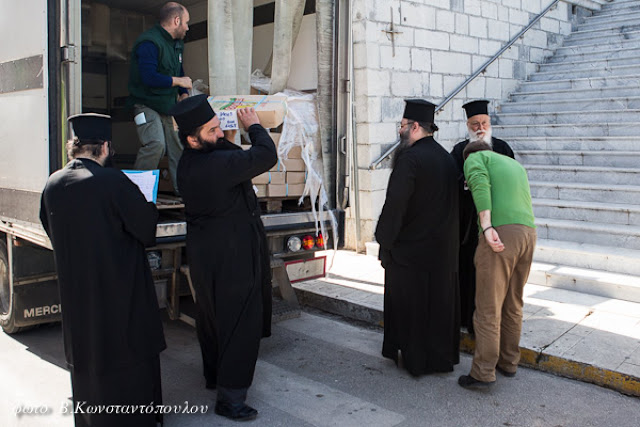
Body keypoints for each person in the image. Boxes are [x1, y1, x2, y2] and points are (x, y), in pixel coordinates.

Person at [39, 114, 165, 426]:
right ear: (105, 147)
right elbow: (146, 228)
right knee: (127, 355)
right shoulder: (114, 181)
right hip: (119, 290)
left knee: (86, 357)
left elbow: (49, 226)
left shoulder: (53, 183)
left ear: (75, 147)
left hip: (76, 290)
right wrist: (150, 205)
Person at [169, 95, 276, 421]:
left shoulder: (192, 161)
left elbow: (228, 152)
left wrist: (225, 134)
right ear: (191, 138)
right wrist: (254, 126)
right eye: (213, 129)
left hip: (209, 253)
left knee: (213, 318)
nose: (220, 133)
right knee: (239, 322)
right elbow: (266, 155)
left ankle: (215, 375)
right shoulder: (216, 166)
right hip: (233, 254)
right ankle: (231, 398)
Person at [375, 99, 460, 376]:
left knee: (412, 308)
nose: (399, 131)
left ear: (413, 126)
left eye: (401, 126)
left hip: (411, 253)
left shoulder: (410, 158)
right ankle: (438, 359)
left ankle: (416, 361)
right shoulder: (447, 158)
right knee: (436, 307)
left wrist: (385, 240)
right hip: (441, 251)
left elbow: (396, 204)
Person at [457, 141, 536, 389]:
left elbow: (480, 184)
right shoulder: (515, 165)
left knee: (488, 307)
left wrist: (487, 225)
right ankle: (509, 362)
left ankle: (483, 372)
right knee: (513, 303)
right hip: (528, 233)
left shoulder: (475, 159)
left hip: (500, 233)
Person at [450, 100, 515, 334]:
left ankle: (491, 324)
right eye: (475, 124)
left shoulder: (503, 149)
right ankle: (466, 318)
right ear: (468, 125)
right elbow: (451, 181)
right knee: (468, 272)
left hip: (497, 221)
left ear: (490, 124)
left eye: (484, 123)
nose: (480, 128)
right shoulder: (459, 151)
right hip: (468, 225)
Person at [128, 1, 192, 194]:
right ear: (176, 20)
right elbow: (149, 77)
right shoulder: (149, 43)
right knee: (156, 144)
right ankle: (137, 193)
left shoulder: (177, 43)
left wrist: (184, 93)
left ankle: (184, 192)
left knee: (178, 147)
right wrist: (179, 82)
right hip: (145, 104)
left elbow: (179, 70)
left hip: (169, 105)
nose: (188, 27)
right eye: (186, 22)